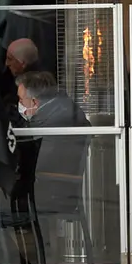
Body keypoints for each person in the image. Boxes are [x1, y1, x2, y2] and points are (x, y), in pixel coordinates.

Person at [16, 71, 91, 215]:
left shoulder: (47, 122)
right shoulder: (66, 110)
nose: (19, 104)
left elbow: (38, 163)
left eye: (21, 100)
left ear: (34, 101)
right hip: (62, 191)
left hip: (48, 193)